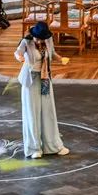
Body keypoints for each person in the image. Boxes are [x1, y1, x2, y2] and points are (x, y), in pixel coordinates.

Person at [15, 22, 70, 159]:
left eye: (42, 39)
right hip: (31, 80)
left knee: (48, 111)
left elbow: (52, 53)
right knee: (32, 113)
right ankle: (34, 148)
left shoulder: (48, 40)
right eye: (38, 39)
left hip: (44, 78)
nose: (39, 41)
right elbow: (17, 53)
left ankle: (53, 145)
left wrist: (61, 59)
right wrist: (20, 58)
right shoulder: (26, 42)